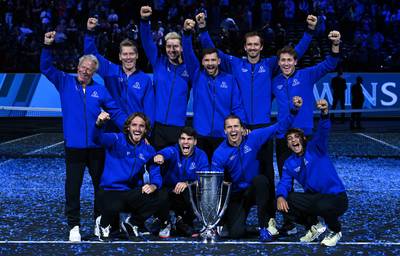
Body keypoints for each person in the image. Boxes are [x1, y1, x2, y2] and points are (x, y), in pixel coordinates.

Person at [195, 13, 317, 231]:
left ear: (261, 47)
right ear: (245, 47)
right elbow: (214, 52)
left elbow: (293, 54)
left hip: (262, 127)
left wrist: (308, 32)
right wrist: (202, 29)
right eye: (249, 44)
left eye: (256, 45)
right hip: (241, 127)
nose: (252, 48)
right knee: (235, 170)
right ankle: (225, 215)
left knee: (267, 174)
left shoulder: (270, 65)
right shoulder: (234, 64)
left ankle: (271, 219)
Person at [40, 31, 127, 242]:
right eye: (83, 67)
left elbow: (116, 112)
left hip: (97, 147)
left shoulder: (101, 90)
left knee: (101, 187)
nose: (85, 71)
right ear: (77, 67)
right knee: (73, 188)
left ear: (94, 72)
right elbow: (46, 67)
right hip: (74, 148)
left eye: (89, 69)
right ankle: (74, 226)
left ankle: (99, 222)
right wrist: (47, 46)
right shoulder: (64, 82)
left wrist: (133, 127)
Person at [272, 30, 341, 235]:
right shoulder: (274, 82)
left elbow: (330, 64)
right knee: (287, 180)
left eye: (289, 60)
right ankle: (294, 222)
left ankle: (323, 216)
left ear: (295, 62)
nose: (285, 63)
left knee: (312, 179)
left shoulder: (306, 75)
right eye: (282, 60)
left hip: (306, 136)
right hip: (283, 136)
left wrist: (335, 44)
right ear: (279, 63)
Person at [211, 96, 303, 242]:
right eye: (229, 127)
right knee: (236, 233)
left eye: (236, 126)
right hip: (237, 194)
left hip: (254, 189)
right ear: (224, 131)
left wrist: (293, 111)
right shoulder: (219, 153)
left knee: (261, 180)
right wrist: (218, 218)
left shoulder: (253, 137)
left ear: (242, 129)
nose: (233, 130)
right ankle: (249, 228)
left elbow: (279, 127)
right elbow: (215, 185)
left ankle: (263, 227)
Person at [276, 99, 348, 247]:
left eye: (296, 137)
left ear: (303, 139)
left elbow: (323, 131)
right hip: (315, 198)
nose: (293, 140)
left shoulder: (316, 148)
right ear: (288, 145)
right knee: (284, 201)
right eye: (290, 139)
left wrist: (324, 113)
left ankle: (335, 231)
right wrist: (280, 196)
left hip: (336, 197)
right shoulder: (289, 163)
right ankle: (314, 226)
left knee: (322, 205)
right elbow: (284, 183)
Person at [182, 18, 247, 161]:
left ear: (219, 61)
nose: (210, 63)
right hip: (201, 135)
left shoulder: (229, 79)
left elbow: (237, 106)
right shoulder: (197, 76)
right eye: (206, 60)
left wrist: (241, 125)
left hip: (223, 136)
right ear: (202, 62)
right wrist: (187, 35)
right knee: (203, 175)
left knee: (224, 176)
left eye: (213, 60)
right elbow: (187, 54)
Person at [93, 112, 162, 241]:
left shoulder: (148, 150)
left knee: (158, 196)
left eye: (141, 126)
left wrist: (154, 185)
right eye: (134, 125)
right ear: (128, 128)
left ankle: (132, 222)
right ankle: (102, 222)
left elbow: (155, 172)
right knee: (112, 213)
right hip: (109, 191)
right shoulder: (116, 139)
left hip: (128, 192)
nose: (137, 129)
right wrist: (98, 125)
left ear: (146, 130)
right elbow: (97, 139)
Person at [84, 17, 155, 127]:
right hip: (112, 127)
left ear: (137, 56)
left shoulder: (145, 79)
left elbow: (149, 110)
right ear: (120, 56)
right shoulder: (110, 70)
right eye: (125, 54)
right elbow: (91, 55)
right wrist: (90, 32)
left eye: (131, 54)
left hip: (135, 131)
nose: (128, 57)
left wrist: (147, 132)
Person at [140, 6, 190, 150]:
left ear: (181, 48)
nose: (172, 50)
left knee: (174, 168)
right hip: (157, 125)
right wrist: (144, 21)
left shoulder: (189, 69)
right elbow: (147, 42)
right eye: (168, 46)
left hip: (178, 126)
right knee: (155, 164)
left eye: (175, 46)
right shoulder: (159, 63)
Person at [152, 126, 209, 238]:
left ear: (195, 142)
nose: (185, 142)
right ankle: (165, 222)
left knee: (194, 192)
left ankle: (183, 222)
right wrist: (160, 155)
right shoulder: (174, 150)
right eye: (183, 139)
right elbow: (167, 152)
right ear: (179, 141)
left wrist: (187, 183)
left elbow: (205, 178)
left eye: (189, 139)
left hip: (187, 190)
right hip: (169, 188)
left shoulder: (201, 155)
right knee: (160, 194)